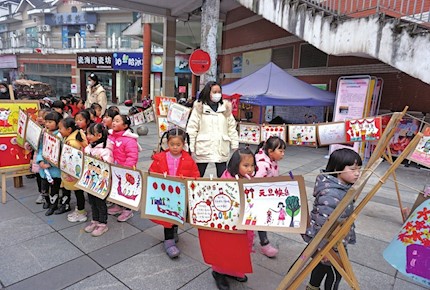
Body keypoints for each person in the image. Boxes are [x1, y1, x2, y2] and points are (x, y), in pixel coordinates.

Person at [303, 148, 362, 290]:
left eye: (359, 169)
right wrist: (324, 247)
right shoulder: (330, 193)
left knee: (320, 266)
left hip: (333, 239)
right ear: (337, 169)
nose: (357, 173)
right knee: (337, 270)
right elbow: (321, 223)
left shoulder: (340, 186)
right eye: (353, 169)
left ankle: (312, 287)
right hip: (330, 242)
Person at [199, 148, 256, 290]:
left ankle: (234, 270)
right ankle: (218, 272)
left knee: (239, 248)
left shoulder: (249, 179)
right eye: (246, 165)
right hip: (227, 224)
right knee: (224, 248)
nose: (250, 169)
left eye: (252, 165)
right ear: (236, 165)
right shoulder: (226, 180)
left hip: (243, 223)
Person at [149, 128, 200, 258]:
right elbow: (152, 172)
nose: (175, 147)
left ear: (183, 145)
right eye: (172, 144)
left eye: (178, 145)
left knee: (177, 215)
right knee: (167, 217)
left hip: (180, 194)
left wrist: (189, 181)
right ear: (167, 143)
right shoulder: (160, 158)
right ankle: (169, 241)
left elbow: (196, 175)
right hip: (165, 193)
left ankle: (174, 231)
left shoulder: (188, 159)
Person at [186, 81, 239, 178]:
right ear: (208, 92)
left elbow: (232, 128)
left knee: (223, 177)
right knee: (197, 176)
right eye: (214, 92)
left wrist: (235, 145)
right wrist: (191, 147)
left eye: (219, 92)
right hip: (203, 148)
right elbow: (192, 129)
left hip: (221, 148)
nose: (217, 94)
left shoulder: (225, 109)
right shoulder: (199, 108)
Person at [253, 136, 287, 258]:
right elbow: (256, 183)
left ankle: (252, 238)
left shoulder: (272, 161)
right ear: (270, 151)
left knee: (258, 220)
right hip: (257, 197)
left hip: (265, 196)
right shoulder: (263, 164)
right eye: (281, 151)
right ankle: (264, 244)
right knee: (260, 219)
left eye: (284, 151)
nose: (283, 154)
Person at [107, 115, 141, 221]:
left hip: (125, 170)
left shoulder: (129, 140)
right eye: (113, 120)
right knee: (116, 188)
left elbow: (132, 156)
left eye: (117, 121)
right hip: (114, 168)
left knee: (126, 189)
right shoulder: (110, 136)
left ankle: (127, 210)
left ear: (125, 125)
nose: (114, 123)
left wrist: (126, 170)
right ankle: (118, 206)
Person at [83, 123, 114, 236]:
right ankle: (94, 221)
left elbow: (108, 165)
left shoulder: (105, 150)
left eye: (91, 134)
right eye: (88, 133)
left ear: (99, 135)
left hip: (101, 182)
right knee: (92, 202)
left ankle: (102, 224)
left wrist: (100, 161)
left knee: (100, 203)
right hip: (90, 180)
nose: (88, 136)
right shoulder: (88, 147)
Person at [58, 117, 88, 216]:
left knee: (78, 193)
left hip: (74, 172)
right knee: (78, 192)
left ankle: (81, 212)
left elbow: (73, 160)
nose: (59, 130)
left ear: (69, 130)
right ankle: (79, 210)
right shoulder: (75, 136)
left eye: (61, 128)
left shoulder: (72, 142)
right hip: (74, 171)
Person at [35, 111, 63, 216]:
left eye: (50, 122)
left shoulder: (60, 136)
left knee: (54, 188)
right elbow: (40, 148)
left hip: (54, 168)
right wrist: (40, 161)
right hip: (43, 166)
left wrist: (51, 164)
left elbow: (60, 152)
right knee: (44, 187)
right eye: (46, 121)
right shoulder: (44, 133)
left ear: (58, 123)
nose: (47, 124)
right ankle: (47, 201)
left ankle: (53, 205)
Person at [34, 108, 51, 205]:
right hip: (39, 158)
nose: (40, 119)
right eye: (39, 116)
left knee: (50, 179)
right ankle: (43, 194)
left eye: (43, 117)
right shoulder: (37, 129)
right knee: (40, 177)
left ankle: (50, 198)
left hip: (49, 160)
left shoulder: (51, 132)